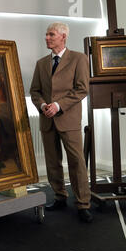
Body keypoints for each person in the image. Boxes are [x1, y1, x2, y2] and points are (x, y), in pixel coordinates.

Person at [30, 22, 93, 223]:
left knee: (77, 162)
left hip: (69, 119)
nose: (47, 37)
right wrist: (43, 106)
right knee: (52, 162)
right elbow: (35, 91)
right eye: (46, 34)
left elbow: (82, 89)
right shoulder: (41, 63)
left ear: (63, 36)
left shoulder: (79, 59)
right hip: (47, 120)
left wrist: (58, 105)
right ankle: (59, 196)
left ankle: (83, 204)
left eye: (51, 34)